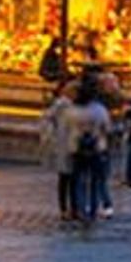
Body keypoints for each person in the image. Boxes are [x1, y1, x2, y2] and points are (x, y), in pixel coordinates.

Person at [66, 76, 112, 221]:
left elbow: (66, 128)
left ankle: (80, 208)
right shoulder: (100, 110)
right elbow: (107, 128)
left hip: (76, 148)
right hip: (97, 148)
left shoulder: (71, 111)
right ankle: (93, 208)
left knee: (79, 180)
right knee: (95, 180)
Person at [40, 80, 77, 220]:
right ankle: (67, 208)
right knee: (66, 179)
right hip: (65, 145)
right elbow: (48, 119)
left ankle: (72, 207)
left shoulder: (72, 106)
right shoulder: (62, 106)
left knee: (71, 179)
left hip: (68, 144)